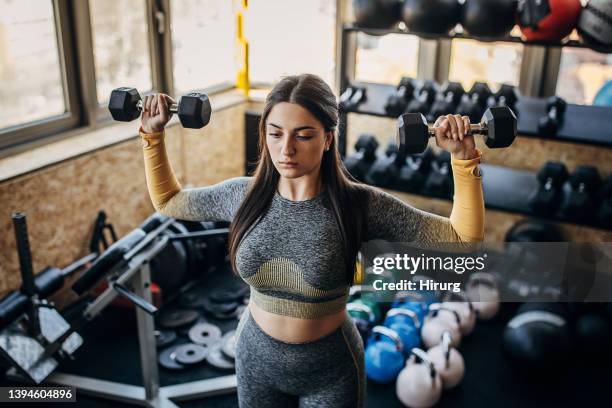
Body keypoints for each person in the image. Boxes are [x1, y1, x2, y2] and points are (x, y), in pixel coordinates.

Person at [139, 74, 484, 407]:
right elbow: (169, 201)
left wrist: (463, 158)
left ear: (328, 138)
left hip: (330, 368)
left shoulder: (359, 205)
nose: (286, 149)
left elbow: (461, 238)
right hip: (255, 357)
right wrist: (152, 135)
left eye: (303, 136)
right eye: (275, 134)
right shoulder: (241, 195)